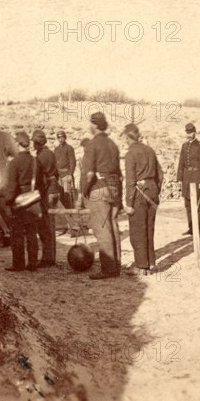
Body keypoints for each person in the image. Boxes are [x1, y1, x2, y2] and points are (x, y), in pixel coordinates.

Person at [80, 112, 122, 279]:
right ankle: (116, 266)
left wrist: (81, 195)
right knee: (113, 226)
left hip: (99, 189)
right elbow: (119, 174)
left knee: (102, 229)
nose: (89, 126)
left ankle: (108, 269)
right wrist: (119, 199)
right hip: (114, 187)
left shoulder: (92, 144)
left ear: (95, 125)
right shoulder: (113, 144)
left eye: (90, 123)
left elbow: (89, 174)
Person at [122, 123, 164, 276]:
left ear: (128, 137)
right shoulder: (150, 150)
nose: (125, 141)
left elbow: (130, 181)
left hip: (139, 194)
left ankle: (141, 266)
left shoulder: (130, 154)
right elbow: (160, 174)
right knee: (149, 228)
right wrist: (154, 188)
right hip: (152, 192)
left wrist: (128, 203)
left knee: (137, 230)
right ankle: (151, 263)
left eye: (125, 138)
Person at [4, 132, 40, 271]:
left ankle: (18, 264)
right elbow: (41, 182)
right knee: (32, 233)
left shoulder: (15, 162)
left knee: (17, 233)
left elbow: (12, 186)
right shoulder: (35, 161)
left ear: (18, 144)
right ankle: (32, 264)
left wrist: (8, 201)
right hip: (33, 199)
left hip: (19, 200)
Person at [176, 123, 200, 235]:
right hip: (186, 178)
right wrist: (179, 179)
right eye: (187, 133)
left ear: (195, 132)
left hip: (196, 178)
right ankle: (191, 228)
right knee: (188, 204)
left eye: (190, 132)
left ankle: (199, 229)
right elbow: (181, 163)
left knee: (198, 204)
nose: (189, 135)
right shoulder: (184, 146)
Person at [32, 129, 59, 268]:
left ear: (37, 143)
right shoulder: (51, 153)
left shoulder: (40, 157)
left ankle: (48, 258)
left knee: (45, 225)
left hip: (47, 191)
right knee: (51, 224)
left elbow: (38, 179)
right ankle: (51, 256)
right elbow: (57, 173)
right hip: (54, 189)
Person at [54, 130, 76, 208]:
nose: (60, 139)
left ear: (65, 138)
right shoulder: (56, 149)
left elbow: (72, 162)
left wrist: (70, 174)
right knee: (60, 195)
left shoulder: (69, 148)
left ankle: (70, 213)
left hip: (66, 175)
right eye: (59, 138)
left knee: (68, 195)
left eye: (62, 137)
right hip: (59, 176)